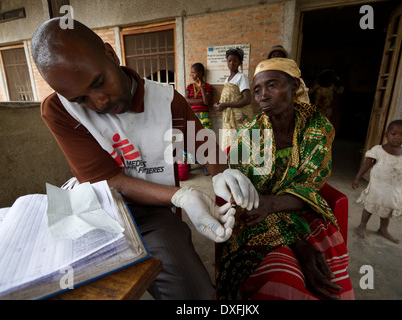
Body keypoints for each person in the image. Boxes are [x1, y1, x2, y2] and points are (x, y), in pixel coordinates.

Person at [31, 18, 259, 300]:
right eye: (81, 99)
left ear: (111, 54)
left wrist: (222, 173)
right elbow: (106, 180)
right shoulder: (58, 109)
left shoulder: (166, 101)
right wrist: (183, 196)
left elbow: (204, 147)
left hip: (153, 213)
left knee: (193, 294)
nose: (99, 102)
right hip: (94, 209)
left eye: (100, 82)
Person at [216, 58, 354, 300]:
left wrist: (272, 203)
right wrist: (297, 244)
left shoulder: (317, 128)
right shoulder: (250, 133)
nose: (262, 96)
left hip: (300, 208)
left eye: (272, 85)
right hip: (256, 217)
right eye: (257, 90)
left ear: (295, 87)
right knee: (282, 279)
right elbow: (242, 196)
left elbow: (309, 187)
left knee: (329, 261)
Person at [352, 120, 402, 243]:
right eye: (394, 134)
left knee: (387, 209)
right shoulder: (378, 150)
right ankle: (362, 225)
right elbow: (366, 165)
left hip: (394, 189)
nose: (398, 138)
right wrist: (357, 178)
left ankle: (383, 229)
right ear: (386, 134)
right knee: (370, 206)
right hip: (377, 186)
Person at [213, 48, 253, 150]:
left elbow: (247, 99)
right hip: (228, 117)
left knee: (238, 144)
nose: (232, 63)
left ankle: (239, 165)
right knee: (229, 143)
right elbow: (229, 98)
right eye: (229, 61)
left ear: (240, 62)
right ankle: (231, 164)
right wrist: (219, 104)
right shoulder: (227, 79)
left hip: (238, 118)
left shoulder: (241, 77)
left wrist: (225, 105)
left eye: (235, 61)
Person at [185, 63, 214, 175]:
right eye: (191, 72)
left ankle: (206, 166)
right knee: (191, 140)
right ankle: (188, 165)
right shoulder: (189, 87)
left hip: (204, 117)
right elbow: (186, 100)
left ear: (201, 73)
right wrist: (200, 100)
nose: (191, 74)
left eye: (194, 72)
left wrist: (201, 87)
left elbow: (206, 102)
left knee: (205, 141)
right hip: (192, 115)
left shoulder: (208, 87)